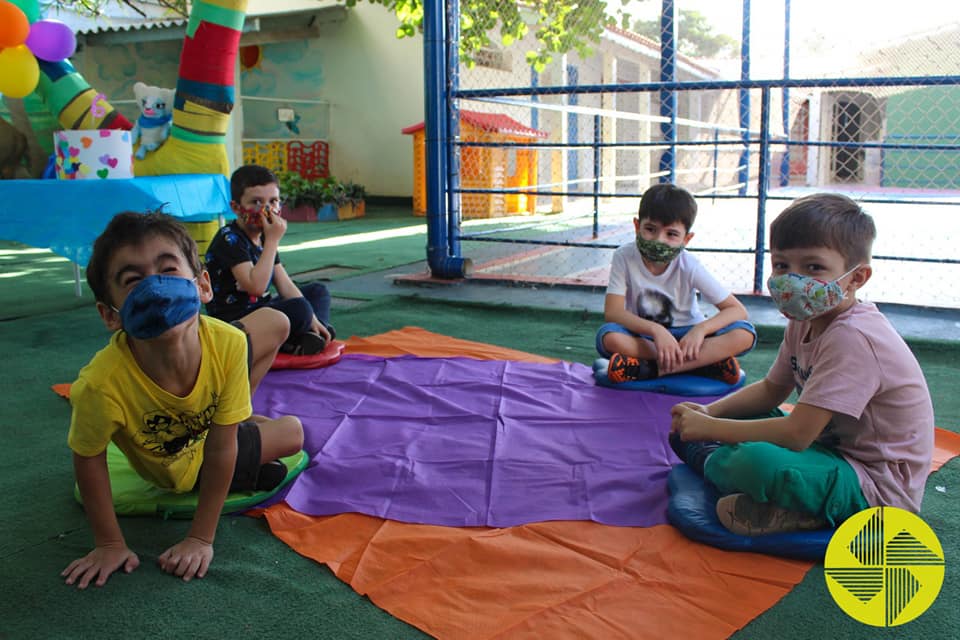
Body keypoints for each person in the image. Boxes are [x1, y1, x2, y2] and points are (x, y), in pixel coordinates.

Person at [670, 193, 935, 536]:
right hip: (827, 449)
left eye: (813, 268)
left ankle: (715, 461)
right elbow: (770, 390)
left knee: (756, 462)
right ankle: (724, 465)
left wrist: (708, 430)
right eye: (782, 265)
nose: (792, 281)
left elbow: (796, 434)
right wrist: (711, 413)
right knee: (727, 424)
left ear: (856, 278)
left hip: (874, 487)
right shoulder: (806, 317)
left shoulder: (854, 337)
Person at [63, 212, 304, 588]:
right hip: (185, 469)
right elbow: (88, 459)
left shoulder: (227, 342)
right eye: (133, 280)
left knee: (276, 323)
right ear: (110, 316)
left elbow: (222, 447)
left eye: (168, 270)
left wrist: (201, 537)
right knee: (290, 432)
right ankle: (243, 449)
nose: (156, 288)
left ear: (203, 286)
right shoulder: (100, 385)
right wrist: (110, 543)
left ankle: (237, 418)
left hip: (216, 428)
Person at [597, 183, 756, 384]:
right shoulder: (624, 256)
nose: (659, 240)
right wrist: (657, 331)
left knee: (744, 334)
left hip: (689, 336)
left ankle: (651, 369)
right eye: (650, 229)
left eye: (671, 234)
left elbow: (737, 310)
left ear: (686, 239)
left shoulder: (689, 265)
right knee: (609, 337)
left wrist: (700, 330)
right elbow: (613, 313)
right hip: (647, 337)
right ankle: (704, 364)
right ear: (637, 226)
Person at [204, 164, 334, 356]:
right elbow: (256, 287)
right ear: (236, 207)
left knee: (317, 291)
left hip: (262, 309)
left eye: (273, 201)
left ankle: (309, 334)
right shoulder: (229, 238)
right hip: (237, 321)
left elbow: (284, 284)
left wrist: (312, 316)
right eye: (256, 202)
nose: (267, 209)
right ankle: (296, 339)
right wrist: (272, 241)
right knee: (299, 308)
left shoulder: (264, 237)